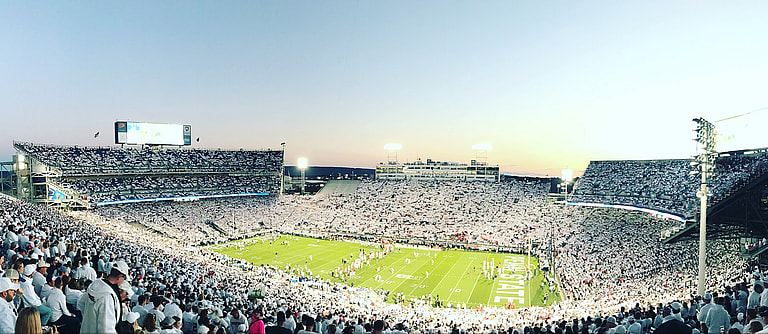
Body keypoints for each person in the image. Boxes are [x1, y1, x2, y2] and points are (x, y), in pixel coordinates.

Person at [79, 260, 131, 334]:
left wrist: (89, 319)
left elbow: (80, 303)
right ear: (120, 277)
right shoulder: (107, 297)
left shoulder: (95, 284)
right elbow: (106, 329)